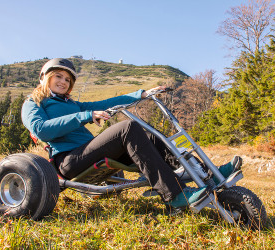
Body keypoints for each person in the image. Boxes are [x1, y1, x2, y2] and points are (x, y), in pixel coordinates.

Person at [21, 58, 239, 212]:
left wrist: (142, 94)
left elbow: (106, 103)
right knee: (128, 128)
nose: (63, 81)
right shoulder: (34, 103)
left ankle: (208, 174)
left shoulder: (73, 104)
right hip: (68, 161)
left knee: (150, 136)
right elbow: (41, 129)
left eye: (68, 79)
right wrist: (84, 116)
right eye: (58, 76)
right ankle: (174, 196)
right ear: (45, 78)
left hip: (90, 153)